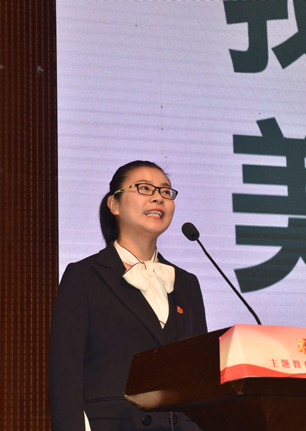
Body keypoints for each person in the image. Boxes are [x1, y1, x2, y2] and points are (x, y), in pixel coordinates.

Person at [49, 161, 208, 431]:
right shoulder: (84, 276)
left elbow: (199, 376)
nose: (158, 197)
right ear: (114, 204)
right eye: (145, 188)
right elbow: (65, 376)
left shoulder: (186, 283)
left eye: (166, 191)